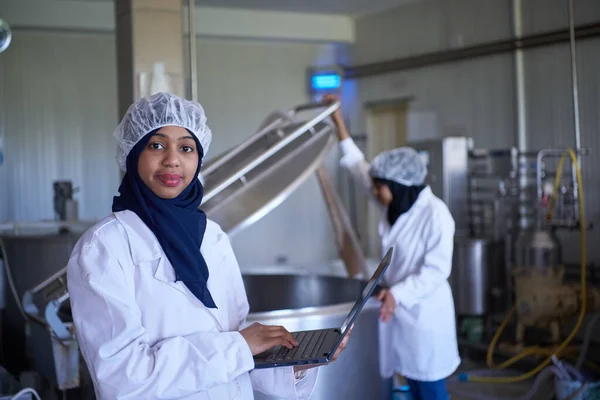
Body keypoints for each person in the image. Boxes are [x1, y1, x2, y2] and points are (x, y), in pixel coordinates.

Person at [67, 92, 349, 399]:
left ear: (198, 158)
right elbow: (122, 379)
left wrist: (295, 363)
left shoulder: (212, 237)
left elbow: (237, 345)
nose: (172, 160)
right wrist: (239, 346)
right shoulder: (104, 248)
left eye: (186, 148)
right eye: (156, 145)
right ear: (134, 154)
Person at [325, 95, 460, 400]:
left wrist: (397, 294)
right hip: (396, 311)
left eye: (379, 186)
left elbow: (437, 270)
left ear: (399, 184)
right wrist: (338, 121)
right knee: (403, 384)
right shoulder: (393, 203)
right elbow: (358, 168)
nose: (373, 191)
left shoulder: (435, 214)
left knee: (428, 388)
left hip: (424, 314)